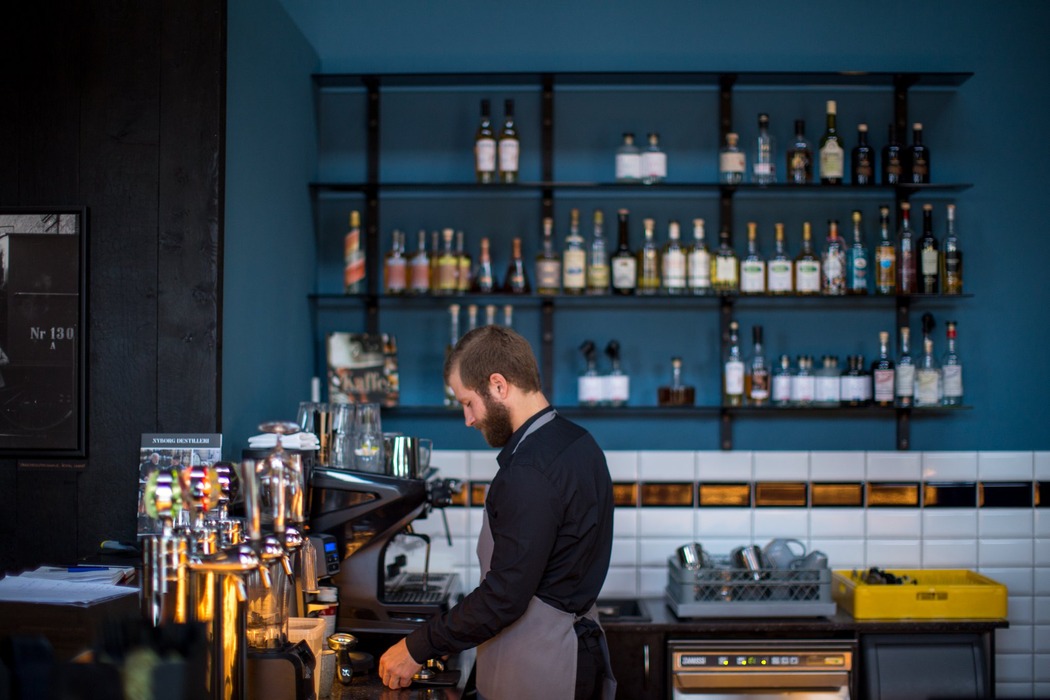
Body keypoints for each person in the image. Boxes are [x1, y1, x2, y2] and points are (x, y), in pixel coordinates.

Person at [378, 325, 616, 699]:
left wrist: (417, 647)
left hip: (540, 668)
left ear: (499, 385)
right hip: (572, 654)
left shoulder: (527, 471)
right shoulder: (579, 442)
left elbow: (503, 597)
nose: (468, 419)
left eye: (468, 402)